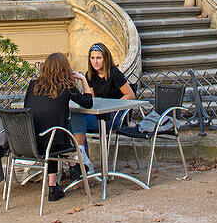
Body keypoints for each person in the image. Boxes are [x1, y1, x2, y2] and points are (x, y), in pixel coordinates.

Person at [23, 52, 93, 202]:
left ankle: (54, 184)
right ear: (65, 69)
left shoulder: (33, 85)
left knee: (51, 135)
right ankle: (74, 166)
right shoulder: (66, 86)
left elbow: (26, 108)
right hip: (54, 143)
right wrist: (82, 79)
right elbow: (88, 103)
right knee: (55, 135)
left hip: (30, 143)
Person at [70, 43, 135, 173]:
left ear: (105, 58)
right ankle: (85, 160)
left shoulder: (115, 74)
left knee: (78, 124)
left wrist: (112, 106)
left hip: (115, 116)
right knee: (73, 122)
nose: (95, 61)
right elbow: (91, 100)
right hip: (97, 115)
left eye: (98, 58)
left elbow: (130, 95)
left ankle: (84, 162)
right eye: (92, 58)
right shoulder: (90, 75)